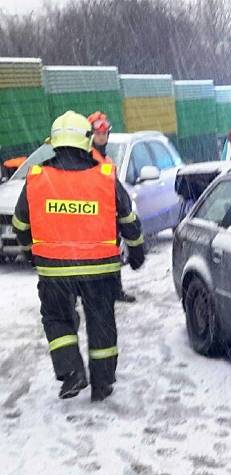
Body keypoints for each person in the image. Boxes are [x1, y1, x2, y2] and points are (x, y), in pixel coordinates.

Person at [11, 111, 145, 402]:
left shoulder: (36, 178)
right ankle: (102, 382)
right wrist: (137, 252)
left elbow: (20, 224)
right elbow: (128, 220)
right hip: (99, 269)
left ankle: (72, 372)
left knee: (57, 319)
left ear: (54, 142)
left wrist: (30, 252)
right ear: (86, 141)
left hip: (55, 271)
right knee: (101, 322)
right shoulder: (105, 177)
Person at [87, 111, 137, 303]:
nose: (102, 136)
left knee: (112, 255)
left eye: (105, 132)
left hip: (107, 219)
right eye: (98, 132)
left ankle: (116, 290)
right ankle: (92, 293)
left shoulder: (106, 160)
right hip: (92, 219)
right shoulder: (88, 158)